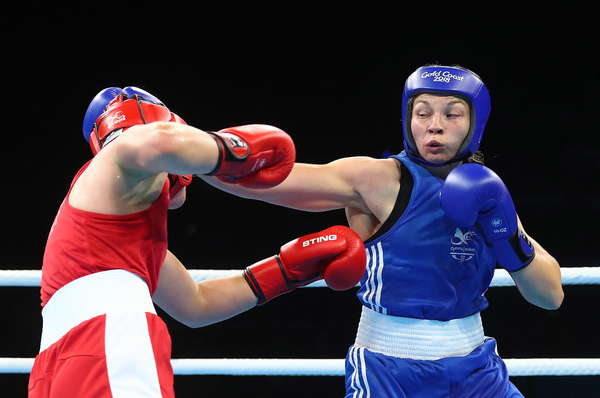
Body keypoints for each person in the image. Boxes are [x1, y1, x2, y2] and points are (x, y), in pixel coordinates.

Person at [200, 64, 564, 397]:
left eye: (452, 114)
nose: (434, 124)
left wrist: (507, 233)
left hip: (476, 368)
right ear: (408, 119)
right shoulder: (378, 178)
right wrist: (194, 156)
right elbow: (267, 183)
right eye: (422, 113)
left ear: (475, 123)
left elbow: (549, 296)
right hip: (388, 368)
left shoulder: (487, 191)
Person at [27, 86, 367, 397]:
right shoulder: (119, 156)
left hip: (56, 363)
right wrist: (230, 150)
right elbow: (152, 142)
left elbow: (196, 303)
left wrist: (287, 270)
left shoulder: (123, 232)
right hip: (106, 340)